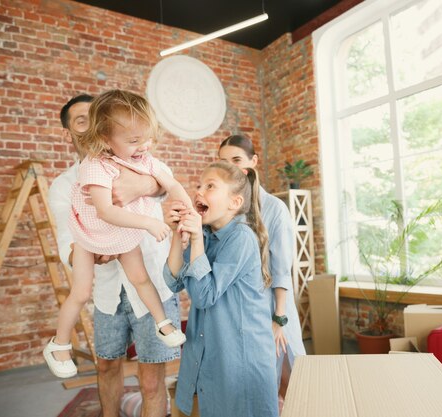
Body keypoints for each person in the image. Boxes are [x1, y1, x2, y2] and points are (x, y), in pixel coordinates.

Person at [47, 92, 185, 417]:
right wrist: (95, 249)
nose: (90, 124)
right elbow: (69, 243)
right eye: (82, 120)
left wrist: (142, 186)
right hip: (108, 293)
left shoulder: (141, 158)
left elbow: (167, 183)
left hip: (150, 278)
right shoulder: (64, 185)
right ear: (72, 132)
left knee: (152, 380)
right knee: (107, 368)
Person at [164, 162, 279, 417]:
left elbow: (205, 295)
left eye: (210, 186)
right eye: (198, 186)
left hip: (240, 355)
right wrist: (177, 233)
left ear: (234, 202)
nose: (199, 192)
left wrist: (194, 240)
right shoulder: (205, 234)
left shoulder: (241, 237)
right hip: (212, 348)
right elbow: (173, 281)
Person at [218, 134, 306, 404]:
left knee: (291, 382)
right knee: (258, 385)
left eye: (237, 160)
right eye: (224, 163)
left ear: (253, 161)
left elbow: (282, 270)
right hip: (241, 311)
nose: (231, 168)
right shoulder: (225, 210)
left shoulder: (275, 209)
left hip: (274, 309)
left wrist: (278, 320)